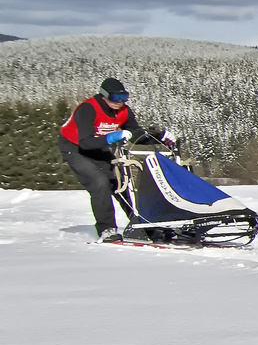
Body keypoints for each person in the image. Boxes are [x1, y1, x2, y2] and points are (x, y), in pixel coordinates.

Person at [56, 78, 173, 241]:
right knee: (99, 183)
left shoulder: (124, 111)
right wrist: (112, 137)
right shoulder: (88, 109)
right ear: (104, 96)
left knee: (121, 182)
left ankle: (141, 223)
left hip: (98, 146)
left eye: (124, 97)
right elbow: (85, 142)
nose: (120, 102)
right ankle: (107, 229)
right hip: (75, 148)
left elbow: (135, 134)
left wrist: (159, 138)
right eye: (115, 98)